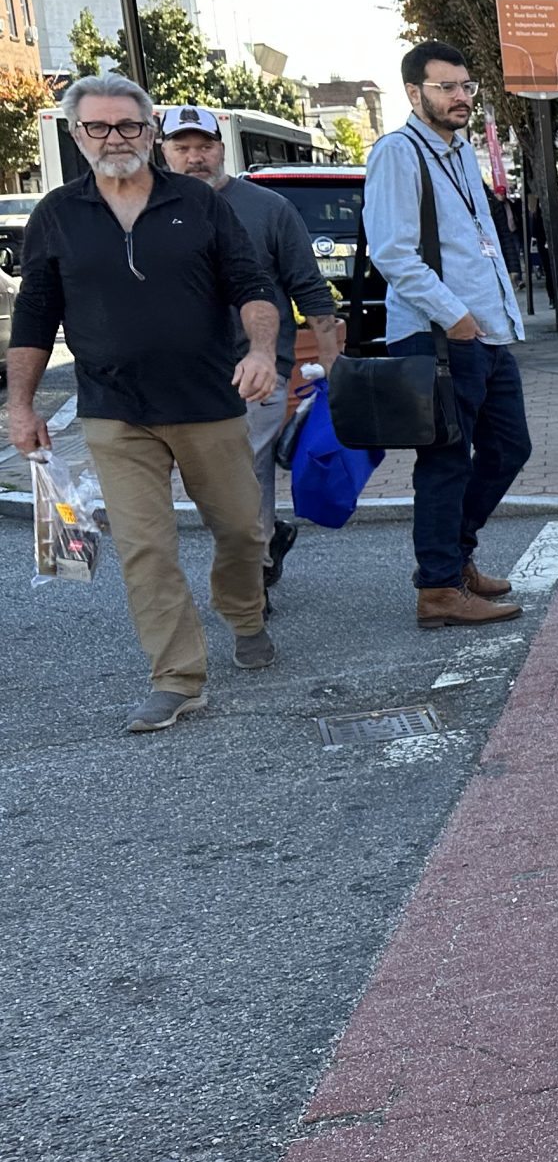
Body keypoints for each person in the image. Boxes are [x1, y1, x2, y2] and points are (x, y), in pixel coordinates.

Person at [5, 75, 282, 731]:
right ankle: (177, 677)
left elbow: (251, 284)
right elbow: (36, 315)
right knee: (145, 548)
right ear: (77, 135)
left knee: (242, 530)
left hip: (209, 401)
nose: (114, 138)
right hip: (114, 410)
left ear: (150, 130)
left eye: (128, 125)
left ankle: (244, 614)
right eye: (98, 127)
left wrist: (261, 351)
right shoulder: (57, 214)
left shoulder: (198, 202)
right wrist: (21, 406)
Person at [364, 41, 531, 630]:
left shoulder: (459, 151)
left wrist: (497, 315)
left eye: (466, 86)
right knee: (445, 460)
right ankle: (438, 587)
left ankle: (453, 558)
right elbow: (392, 252)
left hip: (485, 332)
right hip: (438, 334)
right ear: (415, 93)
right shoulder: (398, 152)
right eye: (447, 87)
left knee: (509, 447)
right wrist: (454, 315)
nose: (461, 97)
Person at [159, 102, 342, 596]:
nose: (195, 157)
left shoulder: (268, 208)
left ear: (222, 148)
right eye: (182, 147)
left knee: (246, 471)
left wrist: (333, 364)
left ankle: (252, 576)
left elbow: (309, 287)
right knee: (209, 479)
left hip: (258, 367)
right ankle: (265, 538)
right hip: (183, 372)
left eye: (205, 146)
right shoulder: (150, 210)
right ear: (164, 152)